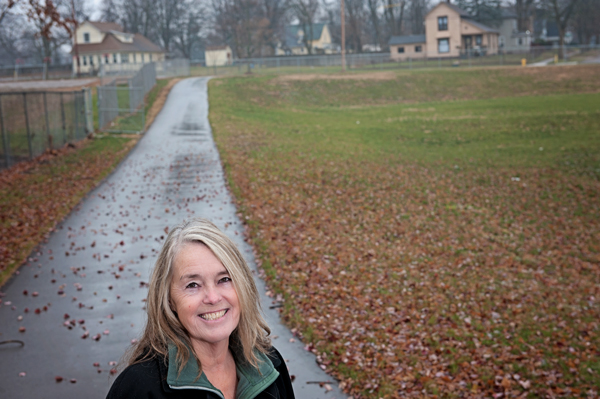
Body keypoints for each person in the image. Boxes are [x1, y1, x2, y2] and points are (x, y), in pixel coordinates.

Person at [107, 218, 295, 399]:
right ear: (169, 299)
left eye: (224, 279)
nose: (213, 298)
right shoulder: (139, 389)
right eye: (193, 285)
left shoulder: (269, 364)